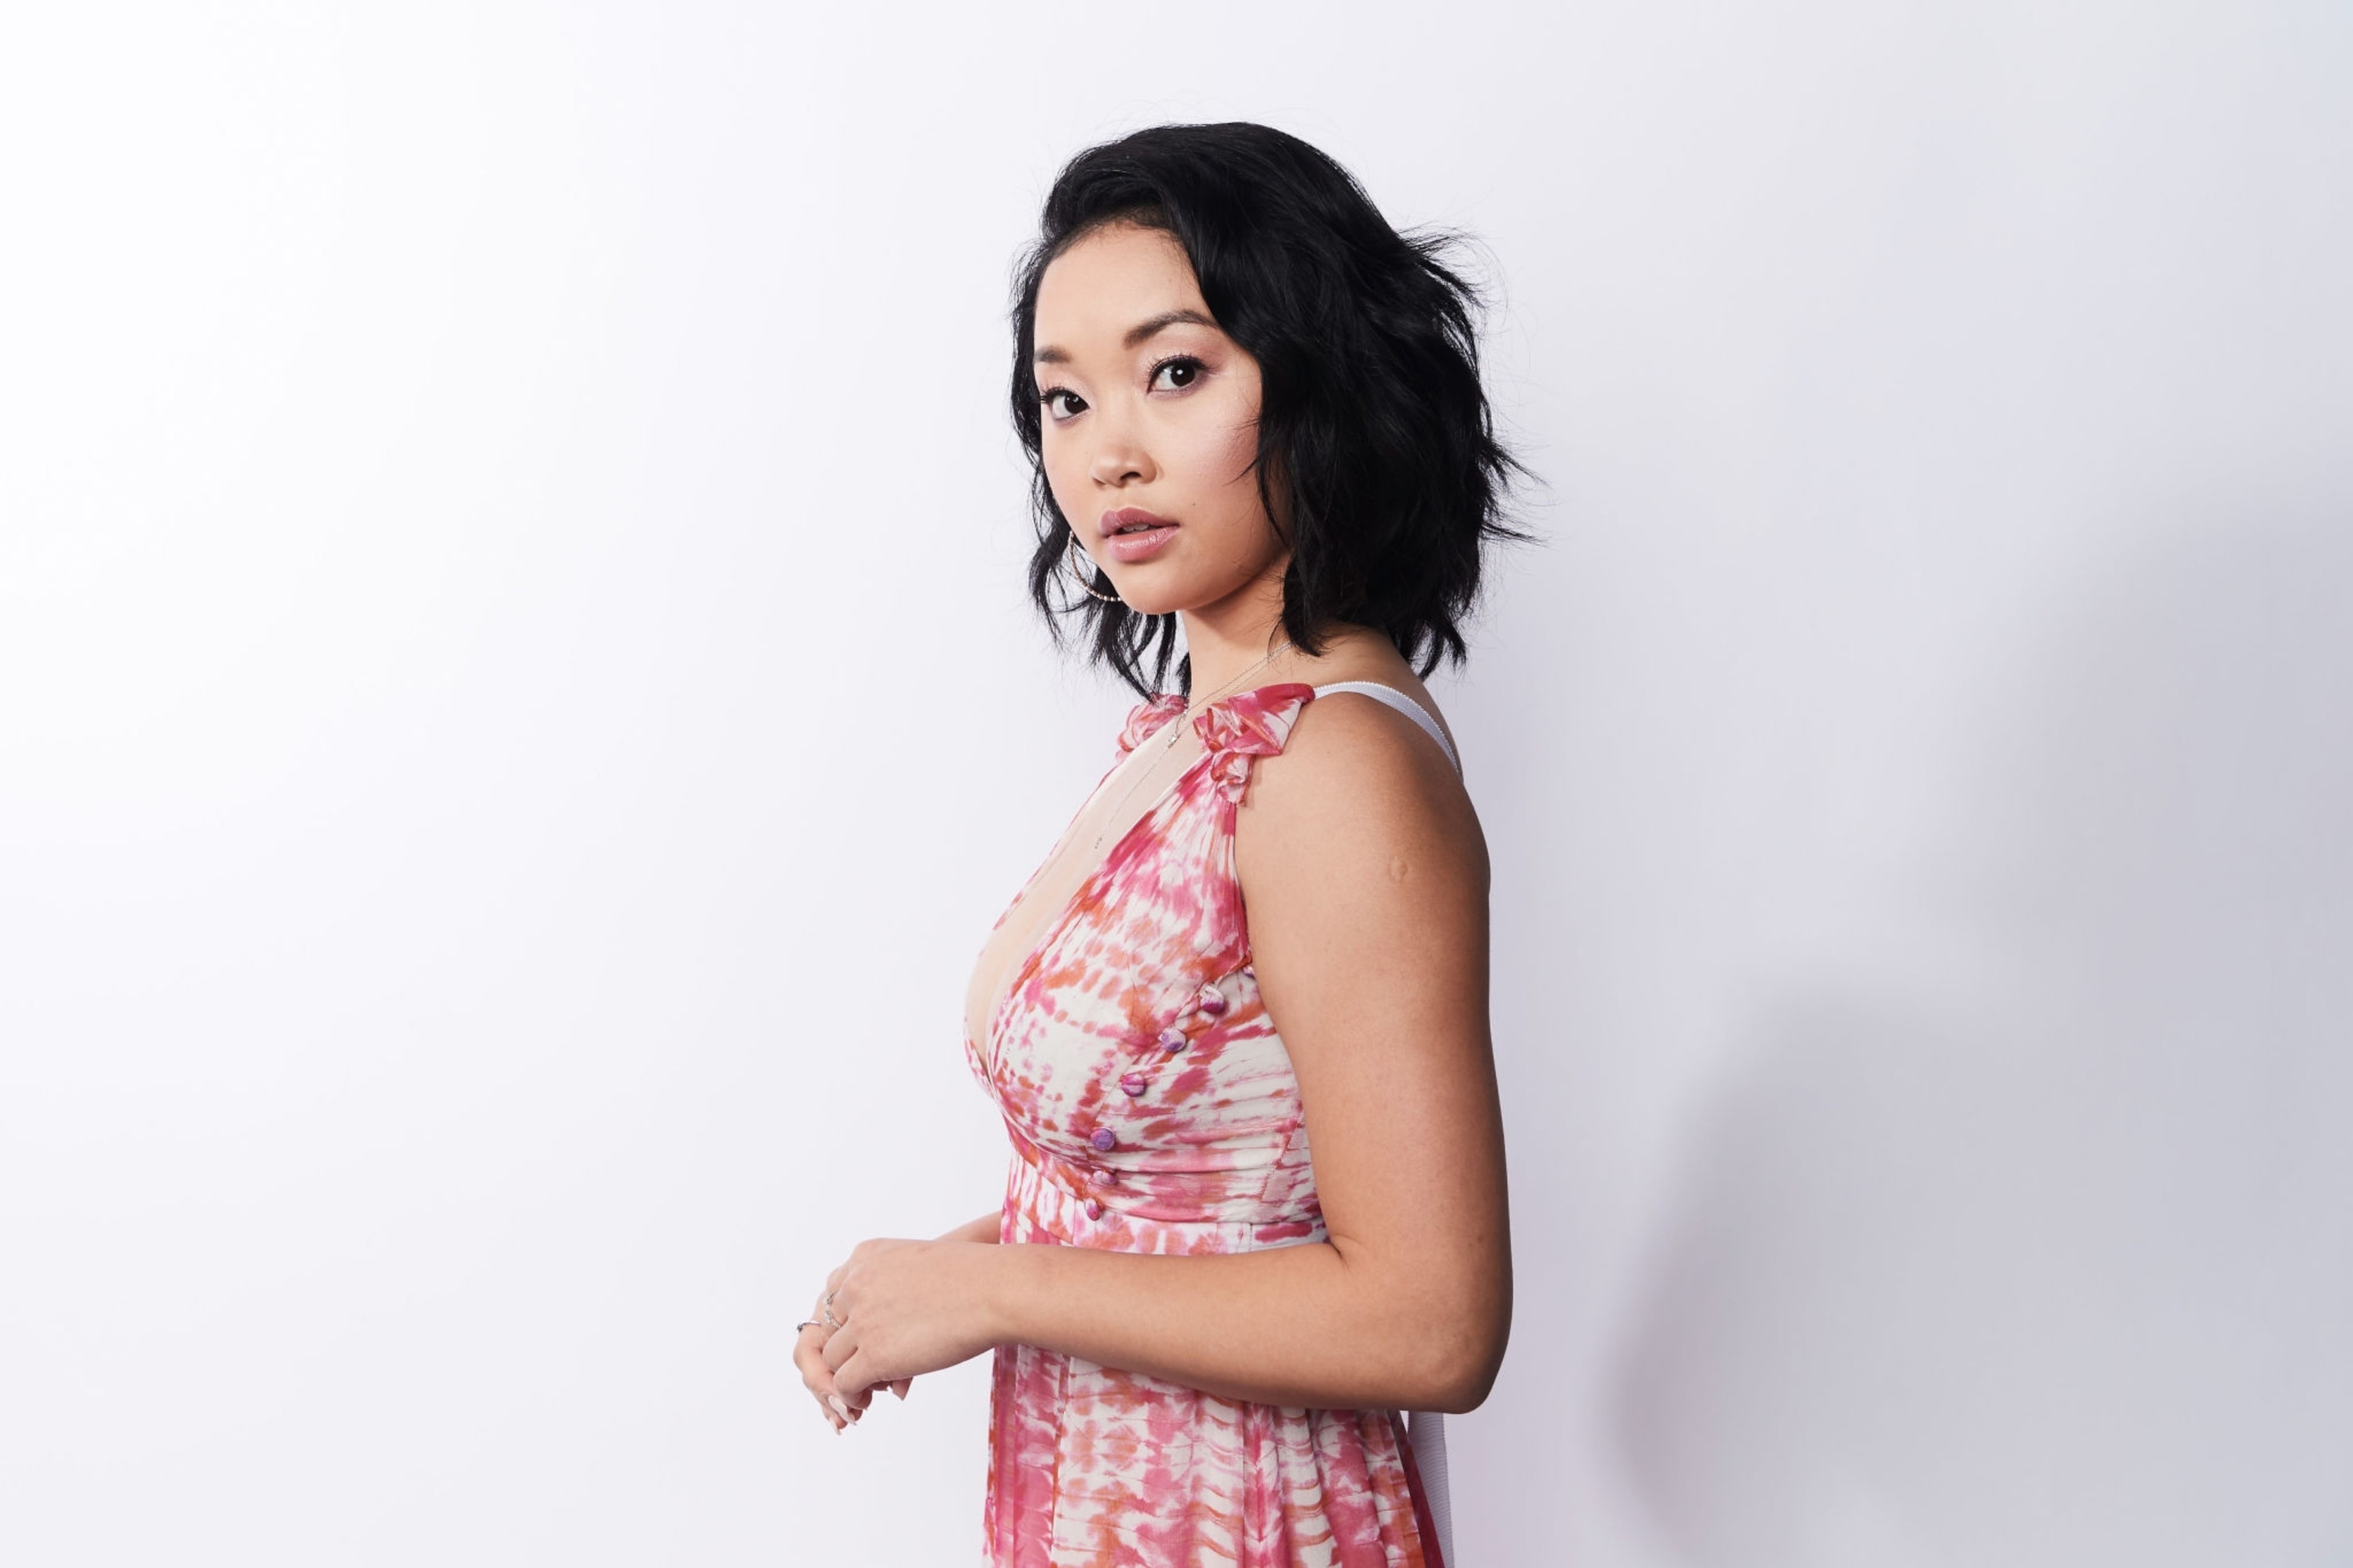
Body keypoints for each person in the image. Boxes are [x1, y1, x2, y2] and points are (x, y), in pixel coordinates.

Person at [794, 122, 1517, 1568]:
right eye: (1064, 399)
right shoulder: (1195, 740)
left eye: (1176, 372)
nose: (1108, 453)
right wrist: (935, 1276)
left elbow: (1432, 1320)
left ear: (1316, 379)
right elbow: (1205, 1204)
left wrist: (995, 1294)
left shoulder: (1332, 767)